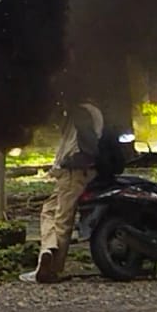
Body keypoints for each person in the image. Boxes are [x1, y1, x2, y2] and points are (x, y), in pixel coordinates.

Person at [23, 101, 104, 284]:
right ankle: (48, 250)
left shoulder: (81, 113)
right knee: (49, 210)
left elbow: (88, 147)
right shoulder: (93, 111)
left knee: (62, 220)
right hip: (74, 174)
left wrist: (72, 162)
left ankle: (51, 269)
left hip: (73, 174)